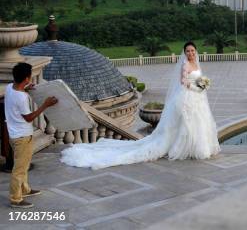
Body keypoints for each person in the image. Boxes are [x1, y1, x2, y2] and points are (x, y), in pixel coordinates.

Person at [60, 42, 220, 170]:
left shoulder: (197, 64)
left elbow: (198, 78)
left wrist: (202, 84)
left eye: (192, 51)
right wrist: (198, 87)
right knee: (185, 125)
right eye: (188, 51)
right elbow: (184, 82)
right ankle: (183, 148)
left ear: (196, 52)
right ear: (184, 53)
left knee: (199, 123)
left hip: (198, 99)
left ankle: (197, 148)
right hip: (186, 97)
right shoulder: (185, 65)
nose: (190, 53)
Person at [5, 63, 58, 208]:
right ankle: (16, 199)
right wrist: (45, 105)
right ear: (27, 78)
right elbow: (29, 118)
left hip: (15, 134)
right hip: (22, 137)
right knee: (20, 169)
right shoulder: (21, 98)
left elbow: (17, 92)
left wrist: (26, 88)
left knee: (24, 164)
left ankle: (25, 189)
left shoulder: (10, 87)